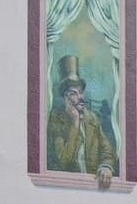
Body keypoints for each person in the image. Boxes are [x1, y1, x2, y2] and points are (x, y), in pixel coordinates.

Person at [47, 55, 116, 189]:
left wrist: (106, 166)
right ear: (65, 97)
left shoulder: (91, 118)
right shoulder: (56, 119)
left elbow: (107, 150)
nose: (80, 97)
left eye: (81, 92)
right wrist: (75, 123)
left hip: (93, 185)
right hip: (67, 188)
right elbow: (63, 161)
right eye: (74, 93)